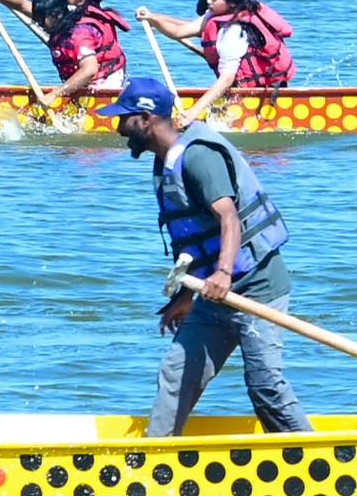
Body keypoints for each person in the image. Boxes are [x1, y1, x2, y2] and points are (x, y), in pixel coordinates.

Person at [97, 76, 310, 437]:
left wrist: (224, 272)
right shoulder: (165, 164)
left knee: (265, 385)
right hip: (214, 295)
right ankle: (155, 459)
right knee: (177, 373)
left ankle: (310, 454)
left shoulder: (198, 157)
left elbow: (227, 216)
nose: (119, 128)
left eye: (125, 118)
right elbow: (191, 239)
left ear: (146, 120)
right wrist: (185, 297)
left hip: (257, 286)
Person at [0, 0, 131, 107]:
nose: (39, 23)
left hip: (104, 79)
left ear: (56, 15)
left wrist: (54, 94)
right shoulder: (61, 13)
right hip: (87, 69)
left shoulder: (80, 34)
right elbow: (22, 4)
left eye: (41, 20)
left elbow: (90, 70)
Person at [137, 0, 297, 93]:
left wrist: (193, 112)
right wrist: (153, 17)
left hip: (264, 92)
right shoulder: (217, 16)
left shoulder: (235, 30)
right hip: (240, 87)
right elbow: (180, 30)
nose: (208, 1)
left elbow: (226, 78)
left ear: (231, 3)